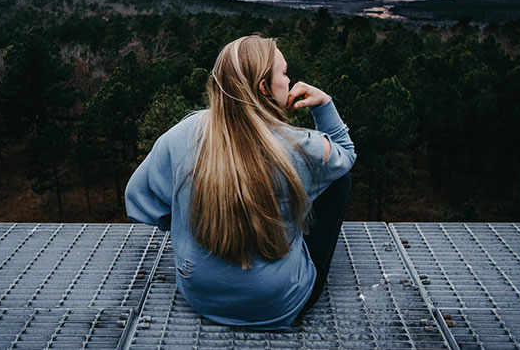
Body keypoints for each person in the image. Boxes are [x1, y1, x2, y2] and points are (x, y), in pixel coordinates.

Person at [125, 35, 355, 329]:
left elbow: (138, 200)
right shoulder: (301, 147)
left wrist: (191, 224)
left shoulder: (182, 134)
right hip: (277, 301)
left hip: (200, 294)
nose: (289, 81)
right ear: (263, 87)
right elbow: (346, 154)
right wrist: (323, 103)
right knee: (339, 180)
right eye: (284, 73)